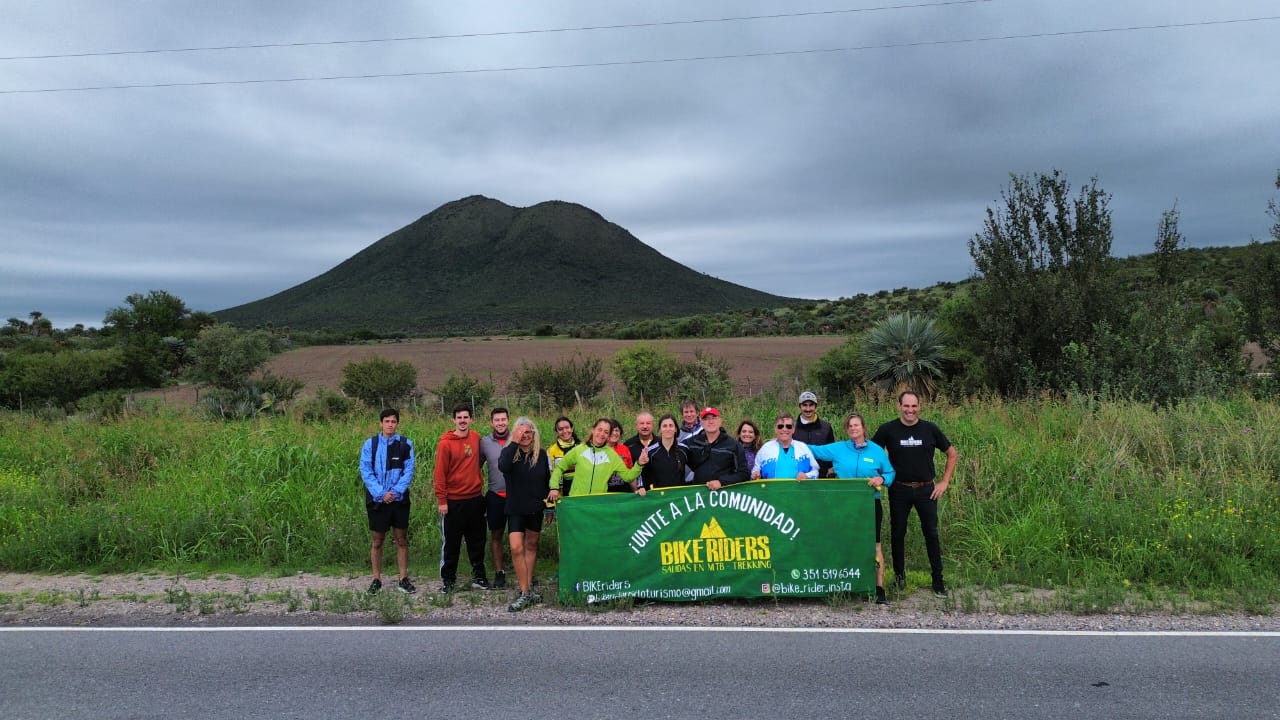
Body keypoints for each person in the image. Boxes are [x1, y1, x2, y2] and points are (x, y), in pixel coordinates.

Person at [872, 391, 958, 597]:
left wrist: (944, 482)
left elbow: (952, 453)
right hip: (899, 489)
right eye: (906, 406)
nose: (910, 410)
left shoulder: (930, 429)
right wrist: (880, 476)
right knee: (898, 534)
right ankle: (900, 579)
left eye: (914, 406)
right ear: (899, 406)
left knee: (931, 534)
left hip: (927, 490)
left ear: (920, 407)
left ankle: (938, 581)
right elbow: (872, 453)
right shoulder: (888, 429)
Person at [810, 413, 895, 603]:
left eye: (857, 425)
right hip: (843, 504)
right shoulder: (839, 448)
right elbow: (813, 450)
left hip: (869, 503)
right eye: (850, 426)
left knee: (875, 545)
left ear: (864, 428)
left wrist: (882, 479)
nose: (854, 428)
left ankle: (878, 587)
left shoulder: (876, 451)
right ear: (847, 429)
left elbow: (890, 472)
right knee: (843, 543)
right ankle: (845, 585)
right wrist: (786, 440)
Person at [498, 416, 552, 612]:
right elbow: (502, 467)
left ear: (534, 434)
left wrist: (549, 508)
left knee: (532, 545)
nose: (525, 436)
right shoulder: (509, 453)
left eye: (528, 432)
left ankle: (527, 589)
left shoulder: (542, 455)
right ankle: (524, 591)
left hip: (536, 508)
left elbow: (547, 482)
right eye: (521, 433)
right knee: (515, 547)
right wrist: (514, 441)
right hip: (515, 509)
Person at [433, 403, 489, 592]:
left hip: (475, 498)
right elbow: (439, 474)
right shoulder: (445, 443)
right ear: (454, 420)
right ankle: (448, 580)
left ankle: (479, 577)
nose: (463, 421)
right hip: (453, 501)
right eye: (459, 418)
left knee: (477, 540)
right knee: (451, 543)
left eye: (466, 417)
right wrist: (442, 500)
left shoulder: (475, 437)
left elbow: (477, 463)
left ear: (471, 419)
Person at [360, 408, 416, 594]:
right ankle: (376, 579)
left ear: (397, 423)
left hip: (399, 500)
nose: (390, 424)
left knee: (401, 539)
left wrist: (396, 491)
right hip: (378, 500)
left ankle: (403, 578)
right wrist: (381, 493)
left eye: (393, 421)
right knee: (377, 541)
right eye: (387, 421)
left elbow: (409, 470)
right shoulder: (371, 444)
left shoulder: (406, 444)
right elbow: (366, 471)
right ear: (381, 423)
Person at [549, 418, 645, 496]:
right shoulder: (579, 450)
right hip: (577, 501)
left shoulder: (612, 455)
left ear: (608, 436)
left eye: (606, 432)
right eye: (599, 429)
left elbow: (628, 477)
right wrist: (554, 487)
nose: (602, 434)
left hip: (597, 504)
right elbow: (560, 467)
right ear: (593, 430)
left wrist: (639, 464)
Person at [478, 407, 511, 589]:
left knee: (518, 536)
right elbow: (475, 467)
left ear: (508, 420)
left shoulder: (518, 438)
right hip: (495, 496)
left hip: (515, 496)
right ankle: (500, 572)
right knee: (496, 535)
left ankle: (526, 571)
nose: (500, 423)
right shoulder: (484, 442)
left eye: (503, 419)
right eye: (497, 420)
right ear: (492, 422)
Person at [685, 407, 749, 490]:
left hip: (725, 495)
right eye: (706, 419)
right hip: (699, 496)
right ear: (701, 422)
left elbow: (744, 473)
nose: (710, 421)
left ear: (720, 421)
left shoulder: (734, 445)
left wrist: (721, 482)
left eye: (714, 418)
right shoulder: (691, 443)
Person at [751, 412, 818, 481]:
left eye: (788, 426)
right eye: (780, 426)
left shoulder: (803, 448)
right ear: (775, 429)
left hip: (799, 491)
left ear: (793, 429)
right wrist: (755, 474)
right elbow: (755, 470)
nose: (784, 429)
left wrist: (807, 475)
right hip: (771, 491)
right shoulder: (765, 448)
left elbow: (815, 472)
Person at [639, 413, 692, 490]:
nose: (668, 429)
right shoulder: (650, 451)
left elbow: (698, 468)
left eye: (671, 425)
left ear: (676, 429)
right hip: (659, 498)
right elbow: (642, 473)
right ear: (660, 430)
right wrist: (641, 487)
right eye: (664, 426)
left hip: (679, 498)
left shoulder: (684, 449)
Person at [794, 391, 837, 477]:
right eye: (805, 405)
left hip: (822, 476)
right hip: (799, 476)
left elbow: (831, 450)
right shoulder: (791, 427)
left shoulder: (826, 427)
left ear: (815, 406)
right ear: (800, 407)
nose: (808, 409)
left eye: (811, 405)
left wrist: (831, 468)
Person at [546, 416, 581, 497]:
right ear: (557, 432)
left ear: (572, 429)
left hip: (580, 493)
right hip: (560, 495)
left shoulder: (581, 447)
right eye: (561, 429)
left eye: (567, 428)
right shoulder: (551, 451)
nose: (564, 431)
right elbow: (550, 474)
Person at [606, 418, 636, 493]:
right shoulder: (598, 450)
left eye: (617, 430)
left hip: (624, 491)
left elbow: (631, 473)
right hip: (605, 492)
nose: (614, 433)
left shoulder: (624, 449)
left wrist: (636, 491)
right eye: (611, 430)